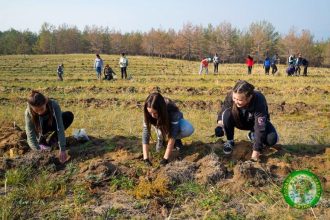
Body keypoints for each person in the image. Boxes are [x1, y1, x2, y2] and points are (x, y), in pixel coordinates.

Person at [214, 80, 278, 161]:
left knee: (271, 139)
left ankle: (252, 135)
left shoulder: (259, 100)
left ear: (249, 97)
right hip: (238, 121)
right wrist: (220, 126)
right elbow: (223, 112)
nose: (236, 101)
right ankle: (230, 141)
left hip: (254, 123)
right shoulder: (231, 96)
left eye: (239, 100)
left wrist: (255, 153)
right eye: (234, 98)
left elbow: (260, 126)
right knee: (227, 113)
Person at [142, 92, 194, 166]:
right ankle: (161, 140)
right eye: (150, 113)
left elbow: (173, 134)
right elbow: (145, 135)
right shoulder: (148, 113)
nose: (152, 116)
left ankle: (177, 140)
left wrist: (165, 159)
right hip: (159, 125)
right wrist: (146, 159)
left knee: (187, 128)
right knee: (160, 135)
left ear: (161, 110)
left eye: (155, 113)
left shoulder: (173, 112)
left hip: (173, 123)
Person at [25, 91, 74, 163]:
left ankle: (53, 140)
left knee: (68, 115)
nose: (39, 112)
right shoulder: (28, 112)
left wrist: (62, 149)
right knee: (38, 140)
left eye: (41, 109)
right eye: (36, 110)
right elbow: (30, 133)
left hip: (50, 123)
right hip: (39, 129)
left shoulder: (54, 105)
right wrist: (38, 150)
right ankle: (41, 140)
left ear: (45, 102)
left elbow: (60, 127)